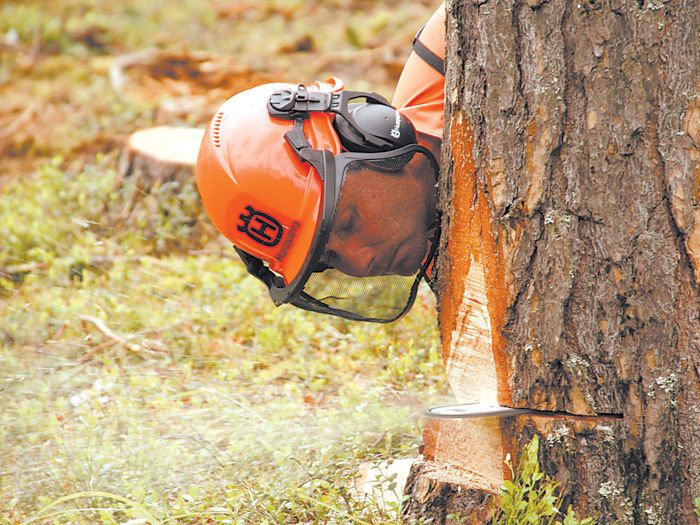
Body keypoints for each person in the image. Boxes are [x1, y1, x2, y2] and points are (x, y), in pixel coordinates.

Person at [195, 3, 446, 323]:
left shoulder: (445, 55)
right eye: (327, 257)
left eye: (347, 222)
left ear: (366, 137)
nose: (362, 262)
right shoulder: (435, 250)